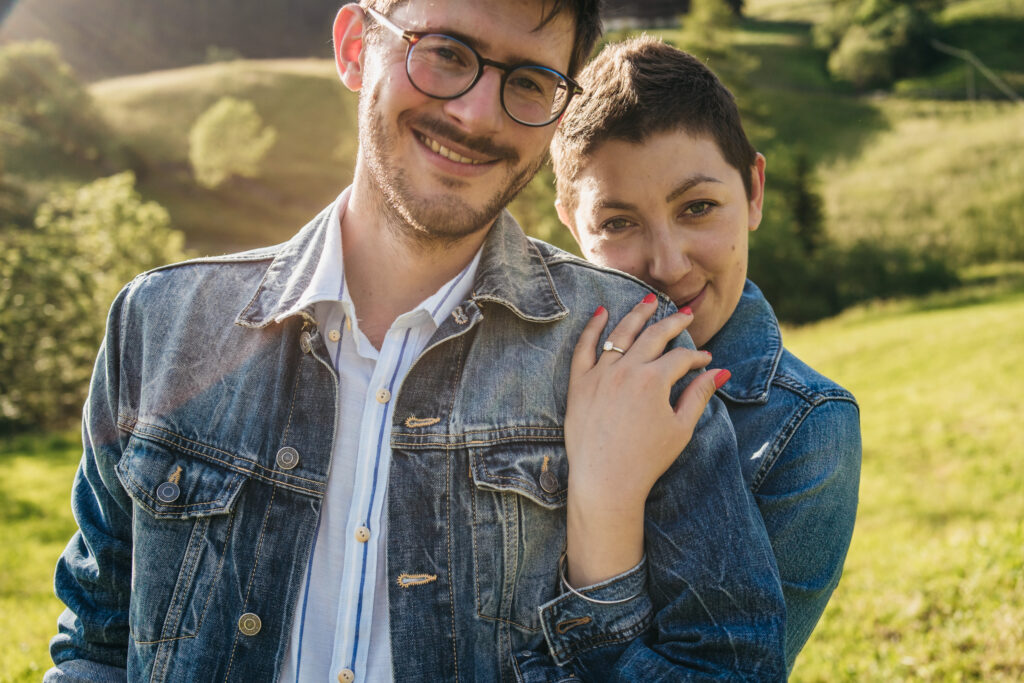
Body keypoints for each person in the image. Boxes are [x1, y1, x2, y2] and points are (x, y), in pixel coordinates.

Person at [47, 4, 787, 682]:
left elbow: (729, 667)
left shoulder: (633, 346)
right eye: (444, 53)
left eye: (528, 82)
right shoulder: (161, 323)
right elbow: (95, 647)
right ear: (352, 48)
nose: (474, 113)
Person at [551, 35, 863, 670]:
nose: (666, 265)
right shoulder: (520, 363)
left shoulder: (808, 430)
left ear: (752, 189)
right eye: (617, 223)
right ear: (569, 221)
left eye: (697, 207)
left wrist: (606, 504)